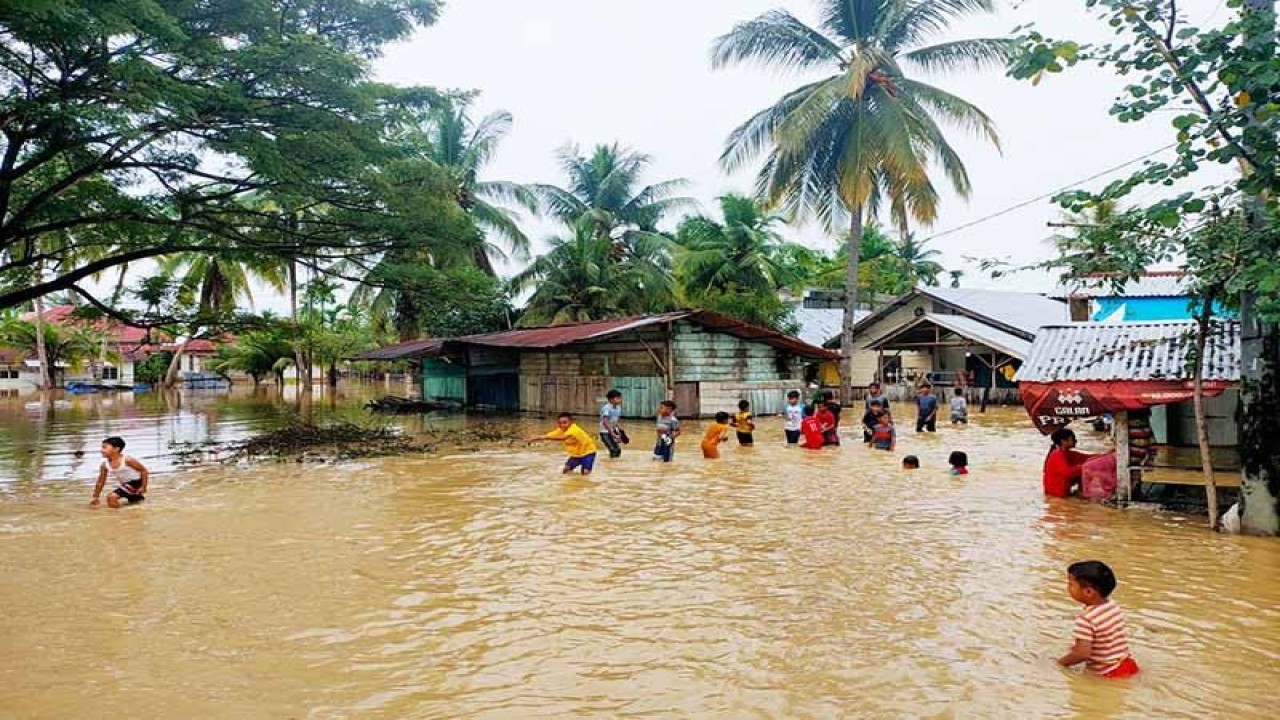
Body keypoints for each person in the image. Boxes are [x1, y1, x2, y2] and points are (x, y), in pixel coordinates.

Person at [1058, 560, 1139, 679]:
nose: (1068, 587)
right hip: (1128, 664)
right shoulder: (1112, 605)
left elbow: (1082, 654)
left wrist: (1059, 663)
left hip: (1107, 673)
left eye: (1071, 584)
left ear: (1088, 592)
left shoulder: (1085, 619)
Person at [528, 412, 598, 475]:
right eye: (560, 423)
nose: (562, 425)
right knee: (565, 470)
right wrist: (535, 438)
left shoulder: (574, 429)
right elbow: (548, 435)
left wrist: (543, 438)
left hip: (588, 452)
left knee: (585, 473)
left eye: (564, 422)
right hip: (577, 454)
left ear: (571, 422)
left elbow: (563, 438)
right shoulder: (561, 430)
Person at [91, 436, 149, 508]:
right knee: (135, 503)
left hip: (137, 482)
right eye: (102, 447)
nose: (102, 450)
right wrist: (95, 497)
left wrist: (143, 487)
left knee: (111, 497)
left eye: (104, 447)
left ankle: (117, 516)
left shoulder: (127, 460)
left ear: (116, 449)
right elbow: (101, 481)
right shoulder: (104, 465)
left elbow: (144, 470)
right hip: (125, 484)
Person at [1043, 428, 1096, 498]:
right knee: (1085, 469)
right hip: (1057, 494)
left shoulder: (1066, 453)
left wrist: (1106, 455)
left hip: (1060, 491)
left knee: (1085, 468)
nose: (1075, 441)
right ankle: (1082, 494)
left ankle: (1082, 494)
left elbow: (1087, 457)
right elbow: (1068, 472)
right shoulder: (1058, 454)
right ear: (1063, 441)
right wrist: (1085, 466)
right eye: (1073, 439)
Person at [598, 389, 626, 459]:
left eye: (620, 398)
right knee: (613, 449)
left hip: (612, 431)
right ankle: (609, 465)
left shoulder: (618, 408)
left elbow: (616, 421)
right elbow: (605, 421)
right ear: (611, 399)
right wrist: (612, 433)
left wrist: (619, 432)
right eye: (618, 398)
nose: (620, 400)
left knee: (618, 450)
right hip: (605, 433)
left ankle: (614, 465)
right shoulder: (606, 408)